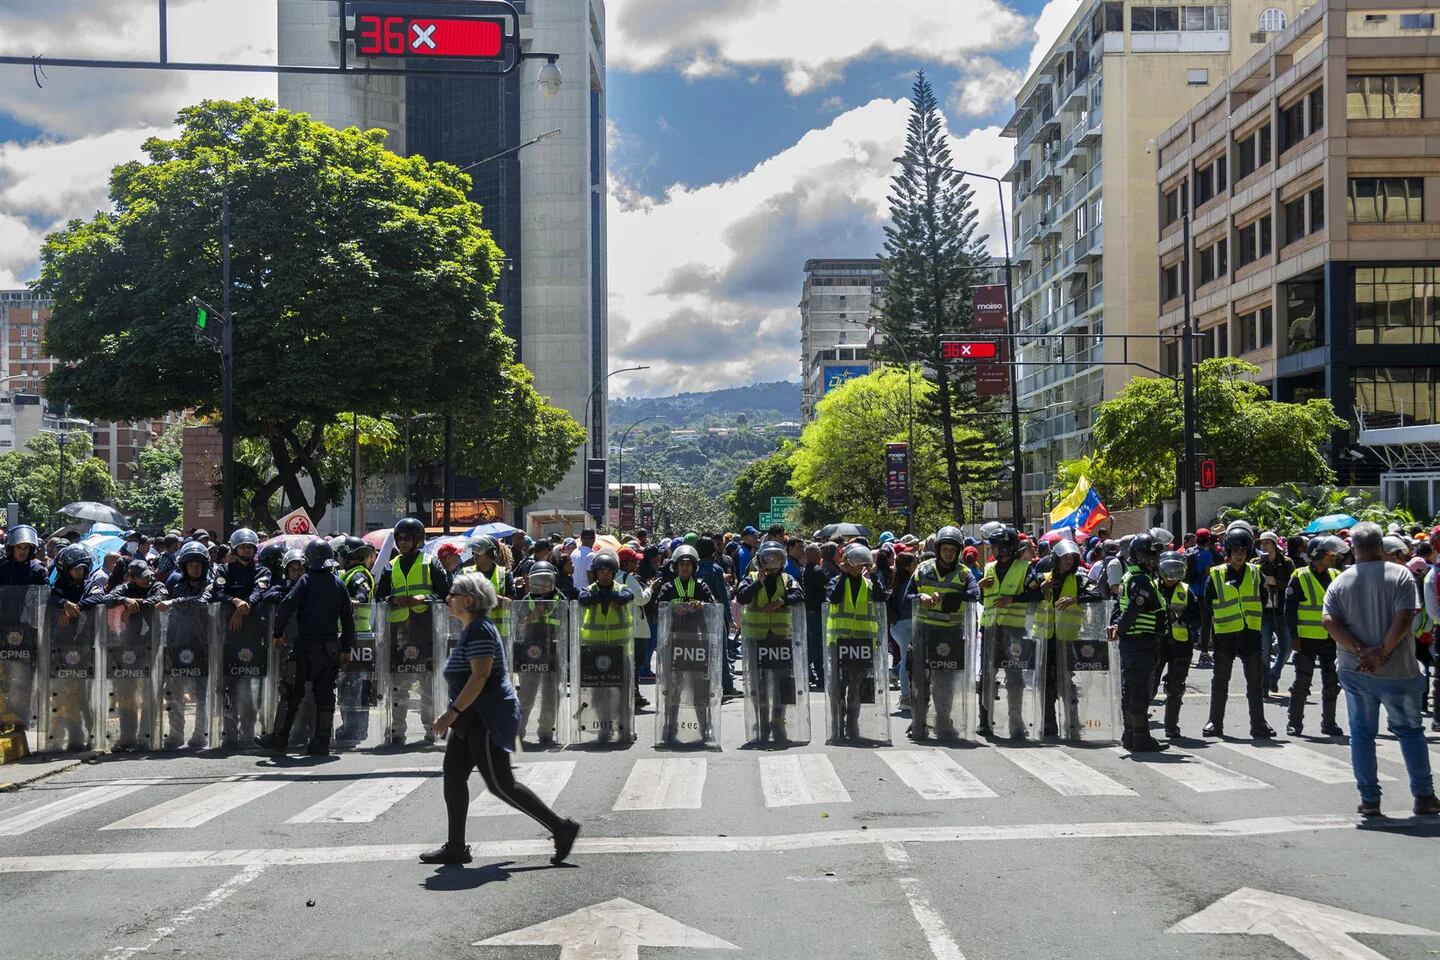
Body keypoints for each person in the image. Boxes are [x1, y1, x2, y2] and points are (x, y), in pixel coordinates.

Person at [420, 571, 580, 865]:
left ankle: (561, 828)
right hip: (469, 717)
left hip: (487, 716)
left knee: (500, 783)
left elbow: (480, 676)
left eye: (453, 594)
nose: (448, 598)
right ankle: (456, 845)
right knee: (454, 776)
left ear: (468, 600)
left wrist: (450, 713)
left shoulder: (480, 629)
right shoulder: (471, 628)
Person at [1321, 522, 1439, 817]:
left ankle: (1370, 800)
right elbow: (1404, 618)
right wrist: (1383, 651)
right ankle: (1423, 796)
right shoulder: (1399, 574)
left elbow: (1329, 622)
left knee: (1361, 734)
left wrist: (1360, 650)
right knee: (1410, 731)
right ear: (1381, 546)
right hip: (1398, 669)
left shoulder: (1340, 581)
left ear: (1353, 549)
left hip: (1354, 669)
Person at [257, 539, 354, 756]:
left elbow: (286, 606)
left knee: (290, 692)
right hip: (330, 648)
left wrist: (278, 633)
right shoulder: (338, 584)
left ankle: (280, 738)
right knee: (326, 695)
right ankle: (321, 742)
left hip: (305, 646)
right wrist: (346, 648)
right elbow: (348, 619)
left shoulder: (306, 581)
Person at [376, 517, 447, 744]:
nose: (402, 542)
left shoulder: (431, 563)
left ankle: (431, 730)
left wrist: (423, 598)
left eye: (407, 538)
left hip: (426, 630)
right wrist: (393, 599)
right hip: (399, 633)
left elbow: (445, 594)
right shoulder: (391, 565)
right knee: (399, 685)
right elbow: (379, 596)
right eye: (399, 538)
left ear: (417, 539)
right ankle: (397, 731)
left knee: (427, 684)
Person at [1201, 528, 1275, 739]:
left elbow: (1262, 598)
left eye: (1243, 550)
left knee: (1255, 682)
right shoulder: (1216, 575)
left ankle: (1258, 723)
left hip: (1250, 635)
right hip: (1225, 636)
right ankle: (1214, 723)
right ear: (1228, 551)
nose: (1240, 554)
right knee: (1220, 681)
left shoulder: (1255, 573)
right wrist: (1206, 644)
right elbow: (1207, 607)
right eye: (1235, 550)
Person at [908, 526, 979, 741]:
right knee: (919, 681)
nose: (948, 553)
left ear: (958, 552)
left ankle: (942, 720)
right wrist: (920, 598)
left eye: (952, 549)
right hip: (924, 633)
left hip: (951, 635)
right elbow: (906, 596)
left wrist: (949, 596)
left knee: (945, 685)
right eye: (945, 549)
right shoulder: (923, 568)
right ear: (938, 549)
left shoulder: (964, 573)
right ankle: (918, 722)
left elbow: (975, 594)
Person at [735, 540, 805, 744]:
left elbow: (800, 594)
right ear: (761, 561)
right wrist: (759, 583)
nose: (773, 563)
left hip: (781, 639)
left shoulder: (788, 578)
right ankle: (762, 725)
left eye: (776, 559)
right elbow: (742, 597)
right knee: (761, 685)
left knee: (782, 685)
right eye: (769, 559)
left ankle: (778, 723)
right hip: (758, 640)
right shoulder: (751, 578)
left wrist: (781, 601)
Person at [207, 528, 271, 748]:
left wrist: (245, 605)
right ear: (235, 548)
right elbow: (217, 592)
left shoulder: (262, 570)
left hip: (254, 637)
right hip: (228, 637)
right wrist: (235, 601)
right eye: (243, 546)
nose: (246, 550)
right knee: (229, 687)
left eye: (250, 547)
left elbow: (259, 591)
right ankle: (229, 733)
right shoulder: (224, 570)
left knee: (252, 688)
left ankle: (248, 733)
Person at [977, 526, 1040, 739]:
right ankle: (984, 720)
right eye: (992, 547)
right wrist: (979, 587)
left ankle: (1015, 718)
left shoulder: (1025, 568)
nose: (993, 551)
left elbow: (1036, 593)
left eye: (996, 547)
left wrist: (1013, 599)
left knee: (1014, 677)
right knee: (986, 675)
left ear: (1008, 548)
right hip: (990, 629)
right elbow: (981, 598)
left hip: (1014, 631)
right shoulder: (989, 568)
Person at [654, 544, 720, 744]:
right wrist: (674, 608)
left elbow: (713, 605)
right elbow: (659, 606)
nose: (684, 568)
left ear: (693, 567)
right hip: (674, 642)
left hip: (697, 643)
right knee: (673, 687)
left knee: (699, 688)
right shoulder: (668, 586)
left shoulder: (701, 586)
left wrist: (702, 606)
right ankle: (669, 727)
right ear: (676, 567)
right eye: (681, 564)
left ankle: (705, 727)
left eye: (688, 565)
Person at [1039, 538, 1104, 739]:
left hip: (1067, 640)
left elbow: (1098, 594)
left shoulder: (1079, 579)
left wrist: (1075, 599)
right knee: (1045, 684)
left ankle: (1072, 722)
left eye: (1072, 558)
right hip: (1045, 639)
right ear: (1056, 558)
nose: (1068, 561)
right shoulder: (1043, 576)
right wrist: (1041, 587)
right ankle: (1048, 724)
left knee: (1066, 683)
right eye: (1064, 558)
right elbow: (1027, 596)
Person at [1283, 535, 1347, 738]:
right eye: (1329, 552)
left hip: (1331, 639)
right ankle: (1294, 723)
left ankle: (1329, 723)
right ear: (1316, 554)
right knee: (1302, 683)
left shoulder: (1337, 575)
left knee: (1331, 683)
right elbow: (1289, 610)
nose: (1333, 556)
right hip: (1305, 640)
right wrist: (1293, 636)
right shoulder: (1300, 576)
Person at [101, 560, 166, 750]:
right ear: (131, 578)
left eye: (147, 575)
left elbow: (159, 599)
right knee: (126, 693)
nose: (146, 579)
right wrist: (124, 601)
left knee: (149, 692)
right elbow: (107, 599)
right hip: (128, 648)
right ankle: (127, 736)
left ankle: (146, 736)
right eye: (141, 577)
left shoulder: (157, 585)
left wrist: (138, 603)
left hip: (152, 647)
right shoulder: (124, 588)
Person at [1114, 534, 1168, 752]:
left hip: (1137, 641)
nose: (1152, 559)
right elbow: (1133, 610)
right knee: (1139, 690)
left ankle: (1130, 735)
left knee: (1132, 688)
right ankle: (1140, 737)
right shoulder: (1140, 579)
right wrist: (1121, 629)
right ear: (1137, 556)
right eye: (1148, 554)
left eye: (1154, 555)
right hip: (1139, 641)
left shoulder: (1134, 576)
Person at [157, 541, 214, 749]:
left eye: (199, 564)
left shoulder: (211, 584)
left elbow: (202, 601)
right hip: (178, 645)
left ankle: (200, 734)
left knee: (202, 695)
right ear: (184, 566)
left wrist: (174, 602)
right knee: (174, 692)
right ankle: (175, 734)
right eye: (191, 564)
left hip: (203, 645)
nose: (195, 568)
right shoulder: (177, 584)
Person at [825, 542, 884, 742]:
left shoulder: (869, 584)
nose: (859, 567)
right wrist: (843, 575)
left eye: (862, 564)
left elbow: (881, 597)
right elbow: (833, 598)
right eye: (856, 564)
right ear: (847, 563)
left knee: (856, 688)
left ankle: (853, 725)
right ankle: (838, 725)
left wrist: (873, 574)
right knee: (839, 688)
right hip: (840, 643)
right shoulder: (837, 581)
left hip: (862, 644)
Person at [47, 544, 104, 751]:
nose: (79, 572)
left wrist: (75, 607)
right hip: (62, 650)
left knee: (85, 695)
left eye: (82, 568)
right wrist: (63, 602)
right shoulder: (59, 587)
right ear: (66, 569)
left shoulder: (91, 584)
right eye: (75, 568)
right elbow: (49, 598)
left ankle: (94, 734)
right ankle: (74, 736)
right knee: (66, 694)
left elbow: (99, 598)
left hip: (87, 648)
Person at [576, 552, 634, 743]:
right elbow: (583, 598)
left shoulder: (622, 589)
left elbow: (628, 595)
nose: (605, 575)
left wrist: (609, 596)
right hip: (595, 650)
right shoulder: (588, 590)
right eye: (601, 571)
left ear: (614, 572)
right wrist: (607, 597)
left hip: (619, 650)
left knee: (623, 693)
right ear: (595, 573)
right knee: (599, 694)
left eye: (609, 571)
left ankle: (625, 728)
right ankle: (604, 727)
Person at [0, 525, 48, 737]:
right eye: (19, 547)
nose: (23, 552)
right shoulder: (1, 567)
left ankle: (21, 719)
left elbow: (45, 596)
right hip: (2, 627)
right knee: (3, 676)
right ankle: (3, 718)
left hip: (28, 629)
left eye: (27, 548)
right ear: (12, 547)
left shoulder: (37, 570)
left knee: (24, 677)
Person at [513, 560, 565, 745]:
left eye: (545, 580)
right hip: (530, 652)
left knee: (551, 695)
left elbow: (567, 623)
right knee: (527, 693)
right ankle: (517, 730)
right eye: (538, 580)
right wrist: (532, 616)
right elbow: (517, 625)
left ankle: (546, 731)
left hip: (553, 650)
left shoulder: (560, 599)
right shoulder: (526, 600)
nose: (542, 584)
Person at [335, 536, 377, 745]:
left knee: (356, 685)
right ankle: (349, 727)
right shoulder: (347, 574)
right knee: (346, 684)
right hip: (350, 636)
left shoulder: (359, 574)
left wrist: (355, 601)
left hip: (358, 638)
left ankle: (356, 729)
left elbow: (362, 593)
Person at [1151, 550, 1194, 739]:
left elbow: (1198, 616)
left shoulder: (1186, 590)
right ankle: (1140, 723)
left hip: (1180, 644)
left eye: (1175, 570)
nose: (1171, 575)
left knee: (1176, 686)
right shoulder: (1152, 587)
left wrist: (1183, 619)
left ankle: (1171, 726)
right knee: (1149, 683)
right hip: (1156, 644)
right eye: (1167, 570)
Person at [1257, 531, 1295, 693]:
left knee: (1286, 648)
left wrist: (1277, 582)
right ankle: (1265, 683)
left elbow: (1294, 585)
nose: (1264, 546)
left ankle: (1274, 674)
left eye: (1267, 542)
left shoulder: (1286, 563)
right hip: (1264, 612)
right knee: (1264, 651)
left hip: (1281, 611)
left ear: (1274, 544)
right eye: (1262, 543)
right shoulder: (1255, 563)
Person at [1188, 528, 1217, 667]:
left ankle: (1186, 649)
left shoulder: (1189, 552)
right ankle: (1204, 653)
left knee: (1190, 620)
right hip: (1201, 593)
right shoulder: (1206, 554)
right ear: (1208, 540)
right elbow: (1209, 574)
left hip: (1189, 591)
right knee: (1205, 622)